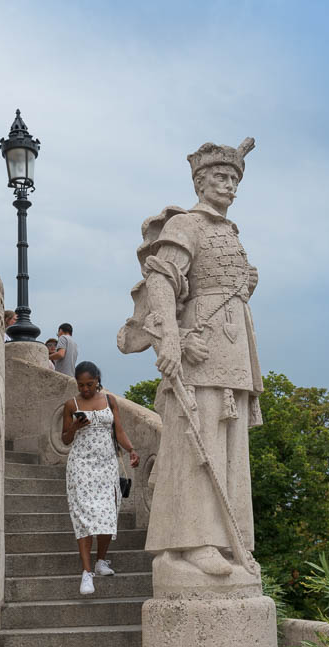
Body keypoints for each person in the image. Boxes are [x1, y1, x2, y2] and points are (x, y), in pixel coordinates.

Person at [117, 138, 262, 577]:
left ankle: (227, 540)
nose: (230, 186)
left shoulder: (229, 231)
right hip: (201, 350)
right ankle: (188, 542)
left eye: (235, 179)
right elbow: (161, 282)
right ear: (200, 180)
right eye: (221, 177)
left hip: (234, 350)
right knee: (194, 447)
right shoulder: (185, 225)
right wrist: (174, 341)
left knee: (230, 450)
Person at [62, 361, 140, 594]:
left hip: (107, 465)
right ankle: (87, 573)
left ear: (97, 379)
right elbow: (65, 439)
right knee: (84, 518)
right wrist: (75, 426)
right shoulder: (71, 404)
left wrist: (131, 450)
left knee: (108, 513)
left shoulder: (110, 400)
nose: (85, 389)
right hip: (81, 466)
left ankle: (101, 560)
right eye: (81, 385)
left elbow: (119, 430)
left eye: (90, 384)